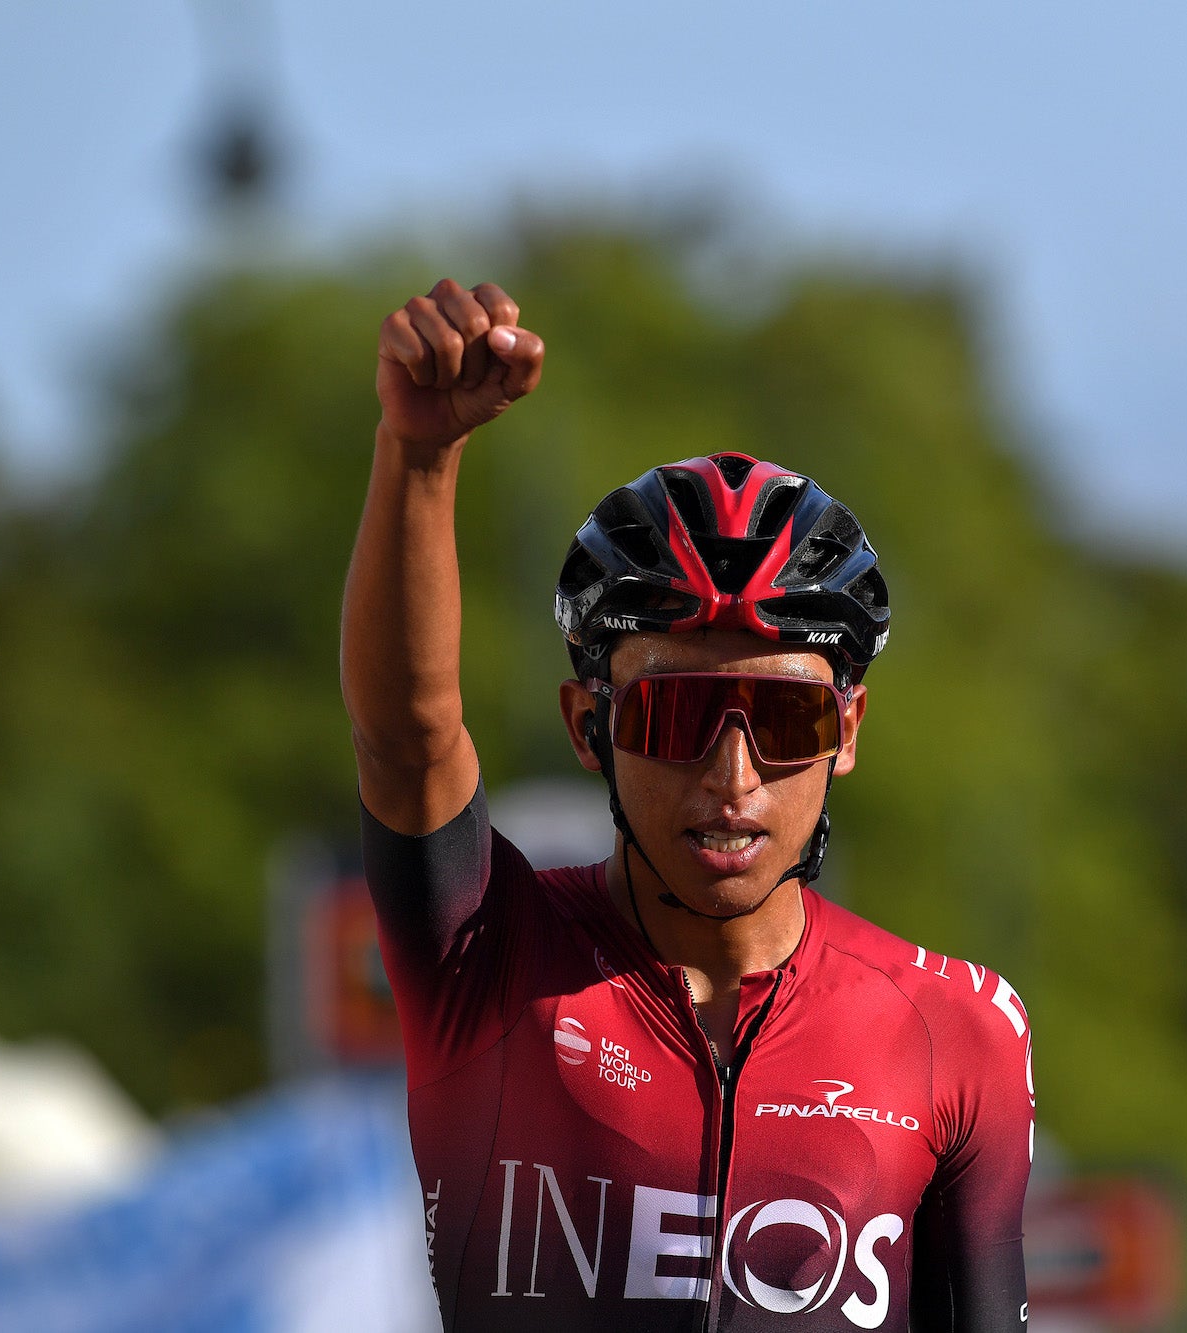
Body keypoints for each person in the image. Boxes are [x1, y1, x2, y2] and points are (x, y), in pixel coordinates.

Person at [343, 279, 1035, 1331]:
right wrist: (420, 455)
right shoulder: (488, 955)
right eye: (677, 716)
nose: (733, 776)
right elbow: (408, 736)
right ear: (589, 728)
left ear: (846, 734)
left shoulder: (959, 1030)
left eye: (784, 720)